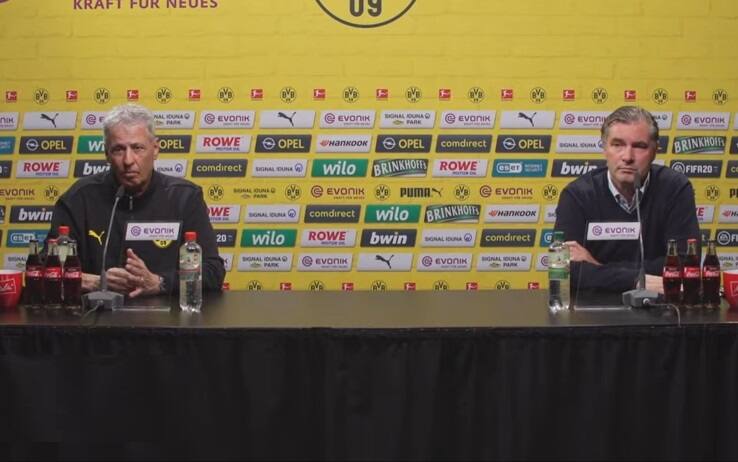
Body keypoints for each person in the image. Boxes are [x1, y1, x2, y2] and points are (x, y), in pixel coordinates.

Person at [48, 103, 225, 297]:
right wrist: (98, 282)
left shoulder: (184, 197)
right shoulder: (79, 198)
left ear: (155, 149)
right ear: (106, 154)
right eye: (118, 150)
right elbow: (46, 270)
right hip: (97, 313)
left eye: (138, 148)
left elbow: (213, 272)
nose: (128, 160)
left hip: (166, 313)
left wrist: (160, 282)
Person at [554, 106, 699, 293]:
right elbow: (563, 269)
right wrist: (637, 281)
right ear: (604, 148)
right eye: (617, 145)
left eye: (639, 146)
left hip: (659, 307)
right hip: (594, 307)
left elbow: (685, 263)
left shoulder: (675, 189)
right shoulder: (577, 195)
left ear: (655, 151)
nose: (628, 157)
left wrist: (597, 267)